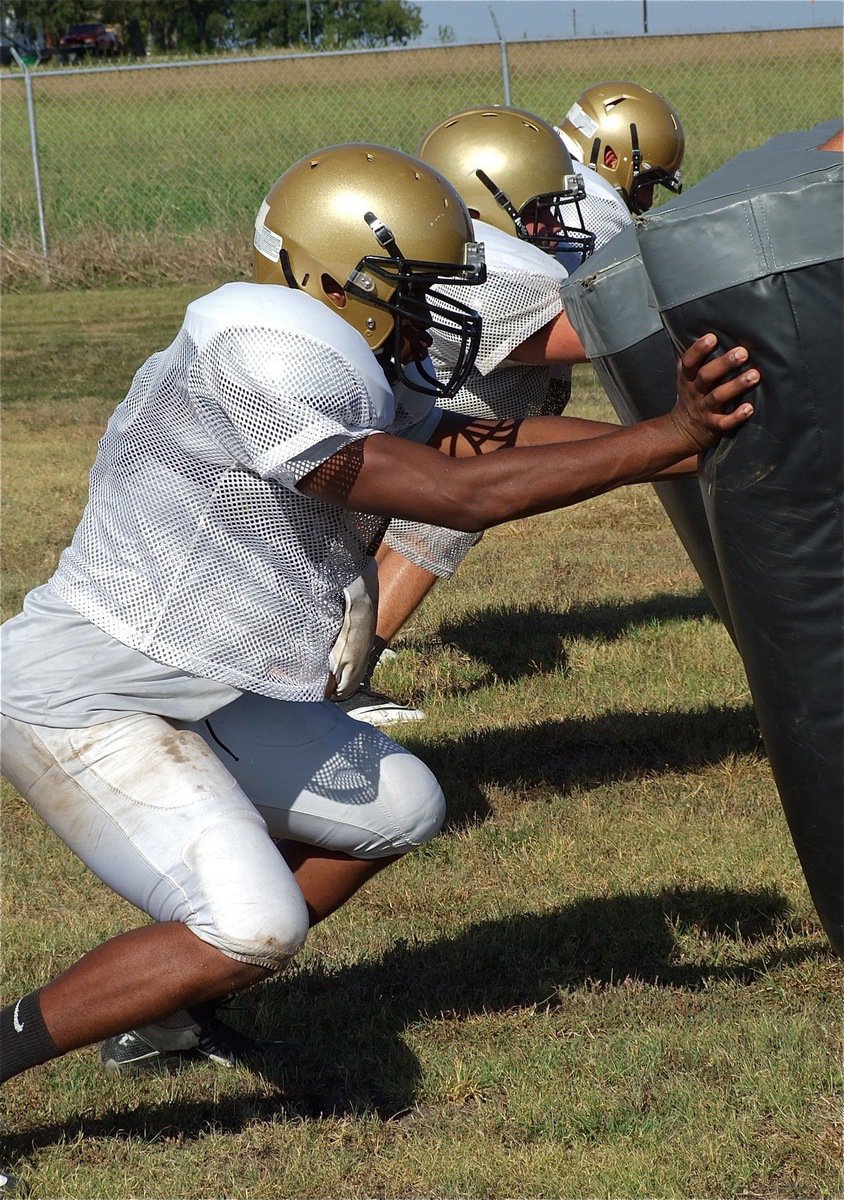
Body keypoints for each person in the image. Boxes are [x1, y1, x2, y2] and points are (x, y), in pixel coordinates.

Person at [0, 140, 759, 1086]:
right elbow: (458, 493)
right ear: (333, 276)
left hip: (199, 679)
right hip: (88, 694)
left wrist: (683, 451)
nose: (432, 313)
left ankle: (170, 1011)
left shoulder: (330, 351)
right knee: (252, 925)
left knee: (399, 804)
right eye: (413, 287)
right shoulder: (261, 356)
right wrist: (664, 434)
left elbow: (473, 442)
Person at [332, 106, 619, 725]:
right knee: (422, 521)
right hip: (412, 429)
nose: (555, 225)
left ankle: (331, 673)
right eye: (537, 208)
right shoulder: (489, 267)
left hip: (431, 420)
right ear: (482, 204)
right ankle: (334, 679)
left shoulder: (486, 254)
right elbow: (587, 337)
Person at [555, 80, 685, 216]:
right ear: (610, 159)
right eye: (645, 183)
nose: (649, 201)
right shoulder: (588, 214)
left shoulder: (555, 171)